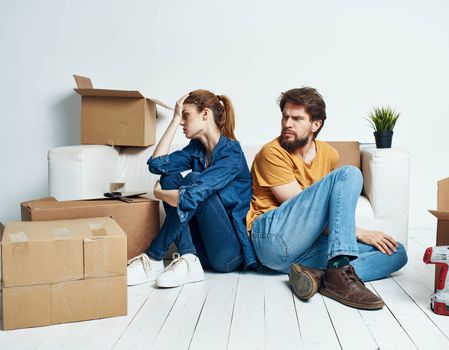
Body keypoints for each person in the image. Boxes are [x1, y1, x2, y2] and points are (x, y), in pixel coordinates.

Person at [246, 87, 407, 309]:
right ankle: (338, 267)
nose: (287, 123)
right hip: (271, 238)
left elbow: (323, 215)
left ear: (316, 124)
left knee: (396, 252)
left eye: (297, 118)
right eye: (285, 116)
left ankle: (322, 276)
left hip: (306, 247)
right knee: (350, 174)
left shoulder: (329, 153)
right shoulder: (271, 154)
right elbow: (302, 212)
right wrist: (361, 234)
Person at [128, 90, 256, 288]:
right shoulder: (196, 149)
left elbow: (192, 195)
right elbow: (157, 165)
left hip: (228, 254)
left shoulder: (232, 154)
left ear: (205, 114)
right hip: (200, 248)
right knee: (169, 176)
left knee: (194, 180)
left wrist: (160, 194)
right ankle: (188, 258)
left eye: (185, 115)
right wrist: (174, 119)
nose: (181, 122)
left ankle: (153, 256)